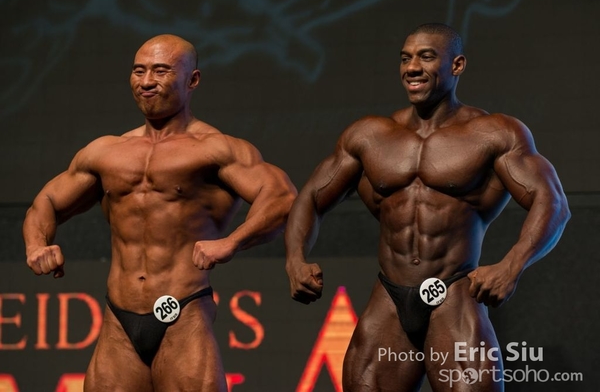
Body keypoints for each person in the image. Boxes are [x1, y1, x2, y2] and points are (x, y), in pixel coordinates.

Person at [285, 23, 570, 391]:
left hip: (453, 294)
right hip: (389, 297)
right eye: (405, 59)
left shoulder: (494, 134)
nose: (412, 67)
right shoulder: (369, 136)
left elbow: (553, 203)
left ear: (457, 65)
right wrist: (295, 258)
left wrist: (511, 266)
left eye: (426, 57)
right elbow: (311, 197)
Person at [23, 34, 297, 392]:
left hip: (184, 313)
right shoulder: (105, 152)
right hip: (118, 321)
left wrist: (232, 242)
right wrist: (37, 244)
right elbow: (45, 202)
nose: (147, 81)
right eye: (139, 71)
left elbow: (282, 198)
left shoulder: (216, 149)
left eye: (161, 71)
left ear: (192, 80)